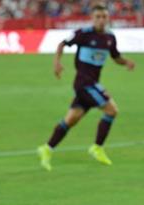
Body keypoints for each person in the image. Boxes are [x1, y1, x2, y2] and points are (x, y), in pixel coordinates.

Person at [37, 3, 136, 171]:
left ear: (108, 18)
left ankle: (46, 148)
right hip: (84, 84)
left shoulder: (110, 37)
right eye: (98, 17)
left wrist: (126, 62)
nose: (101, 20)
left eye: (104, 16)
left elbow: (115, 56)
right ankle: (97, 147)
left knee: (70, 120)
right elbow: (62, 44)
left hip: (91, 84)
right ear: (92, 18)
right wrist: (57, 63)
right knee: (111, 110)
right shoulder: (83, 34)